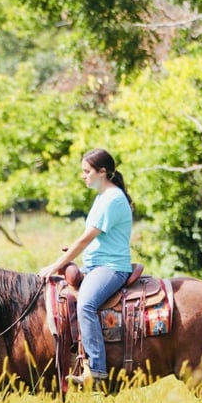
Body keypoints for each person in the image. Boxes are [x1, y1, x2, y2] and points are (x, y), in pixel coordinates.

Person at [38, 148, 133, 388]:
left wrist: (55, 265)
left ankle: (97, 371)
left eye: (87, 171)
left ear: (103, 172)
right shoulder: (102, 197)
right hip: (96, 265)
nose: (83, 176)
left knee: (86, 305)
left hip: (111, 267)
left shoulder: (112, 199)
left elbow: (85, 239)